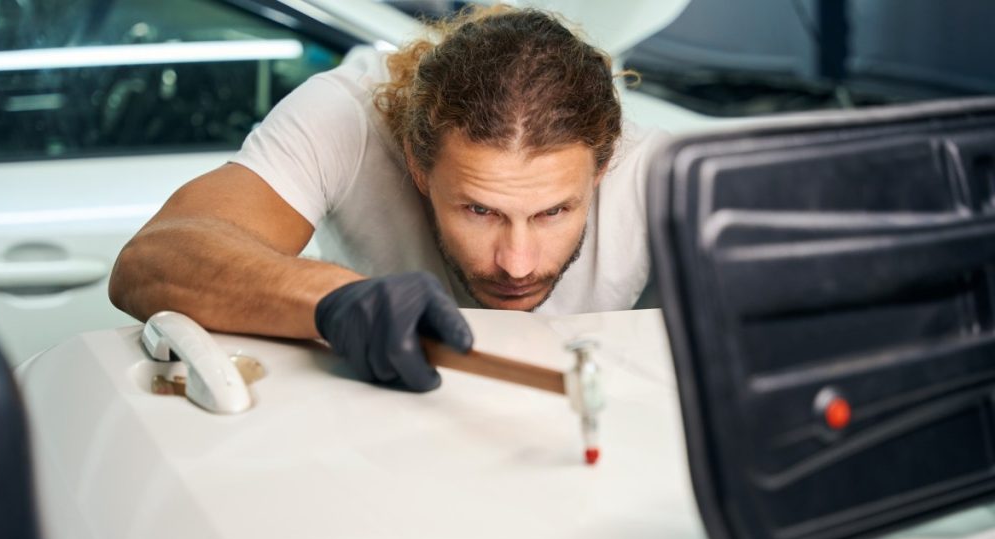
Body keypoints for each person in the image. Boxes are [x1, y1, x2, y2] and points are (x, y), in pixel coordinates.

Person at [108, 5, 664, 392]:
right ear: (418, 166)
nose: (517, 263)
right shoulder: (346, 117)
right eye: (479, 209)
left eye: (552, 212)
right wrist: (331, 299)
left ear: (602, 167)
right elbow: (149, 262)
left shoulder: (657, 170)